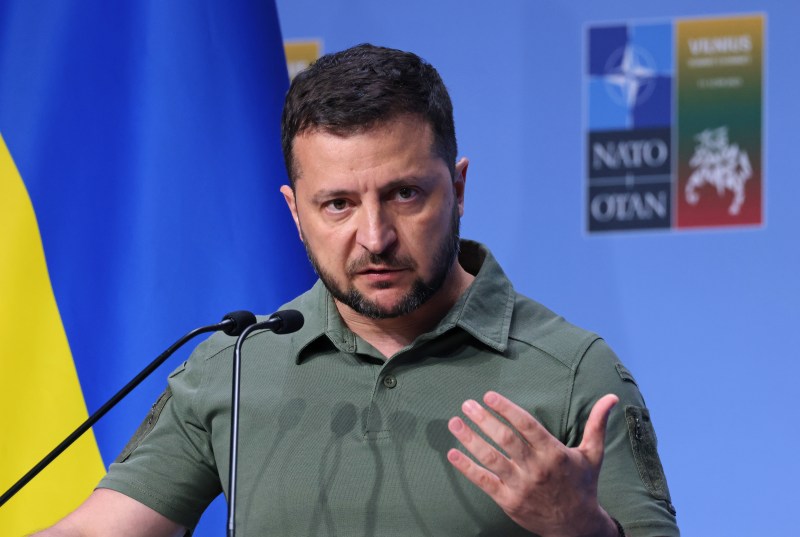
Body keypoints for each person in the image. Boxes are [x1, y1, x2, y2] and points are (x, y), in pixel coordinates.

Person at [35, 44, 678, 537]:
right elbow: (101, 527)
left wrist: (586, 530)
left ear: (457, 189)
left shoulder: (571, 372)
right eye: (337, 204)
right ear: (294, 212)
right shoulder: (232, 364)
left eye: (404, 194)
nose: (374, 237)